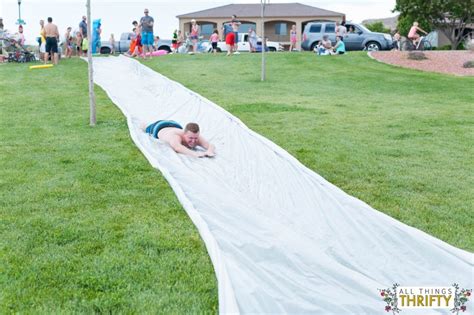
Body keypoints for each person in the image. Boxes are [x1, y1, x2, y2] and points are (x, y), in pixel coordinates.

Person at [145, 121, 215, 158]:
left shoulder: (195, 135)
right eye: (190, 138)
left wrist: (209, 151)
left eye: (195, 138)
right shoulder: (176, 136)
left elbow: (210, 145)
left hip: (175, 124)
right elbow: (177, 148)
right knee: (144, 127)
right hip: (158, 127)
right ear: (184, 134)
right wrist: (195, 154)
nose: (193, 141)